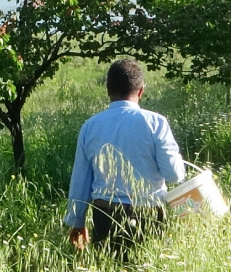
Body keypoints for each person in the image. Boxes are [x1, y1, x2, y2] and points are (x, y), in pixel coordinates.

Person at [64, 59, 185, 257]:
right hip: (149, 214)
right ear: (141, 90)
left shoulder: (90, 126)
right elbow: (174, 175)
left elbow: (80, 181)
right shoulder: (156, 123)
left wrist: (77, 222)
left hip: (105, 215)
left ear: (108, 90)